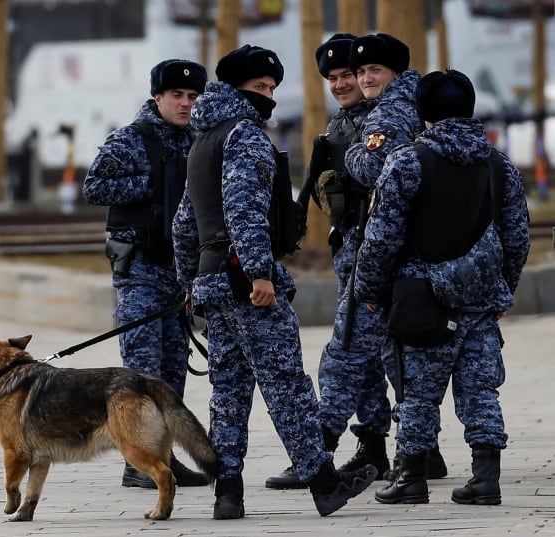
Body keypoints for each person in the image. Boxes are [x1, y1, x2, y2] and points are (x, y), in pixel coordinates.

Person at [172, 44, 376, 520]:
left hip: (212, 283)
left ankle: (228, 491)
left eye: (272, 89)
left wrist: (189, 282)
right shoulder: (243, 135)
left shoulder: (202, 139)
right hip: (247, 283)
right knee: (287, 385)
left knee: (228, 391)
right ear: (238, 87)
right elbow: (245, 210)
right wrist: (258, 273)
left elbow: (184, 223)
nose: (268, 96)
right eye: (260, 87)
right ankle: (325, 484)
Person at [353, 69, 530, 505]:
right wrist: (503, 288)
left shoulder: (407, 160)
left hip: (421, 298)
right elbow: (517, 235)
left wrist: (370, 291)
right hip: (480, 299)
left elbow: (381, 237)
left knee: (417, 390)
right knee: (481, 388)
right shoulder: (497, 163)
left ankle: (411, 476)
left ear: (423, 112)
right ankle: (485, 477)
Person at [265, 33, 391, 490]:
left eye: (350, 75)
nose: (342, 84)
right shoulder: (340, 125)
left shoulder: (386, 122)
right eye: (335, 77)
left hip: (382, 257)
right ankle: (380, 448)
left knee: (348, 353)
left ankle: (319, 455)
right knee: (372, 359)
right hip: (353, 254)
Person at [83, 58, 210, 489]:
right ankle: (138, 462)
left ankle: (161, 459)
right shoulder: (129, 140)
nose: (185, 104)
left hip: (179, 275)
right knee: (140, 372)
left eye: (193, 96)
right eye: (177, 95)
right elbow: (94, 186)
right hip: (139, 271)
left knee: (171, 375)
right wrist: (153, 184)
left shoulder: (198, 141)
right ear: (157, 97)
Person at [341, 33, 449, 481]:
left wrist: (349, 151)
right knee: (401, 355)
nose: (366, 77)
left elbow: (372, 165)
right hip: (412, 251)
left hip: (398, 255)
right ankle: (423, 451)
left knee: (398, 356)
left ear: (396, 75)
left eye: (375, 71)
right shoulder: (400, 104)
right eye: (361, 71)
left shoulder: (391, 110)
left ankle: (417, 456)